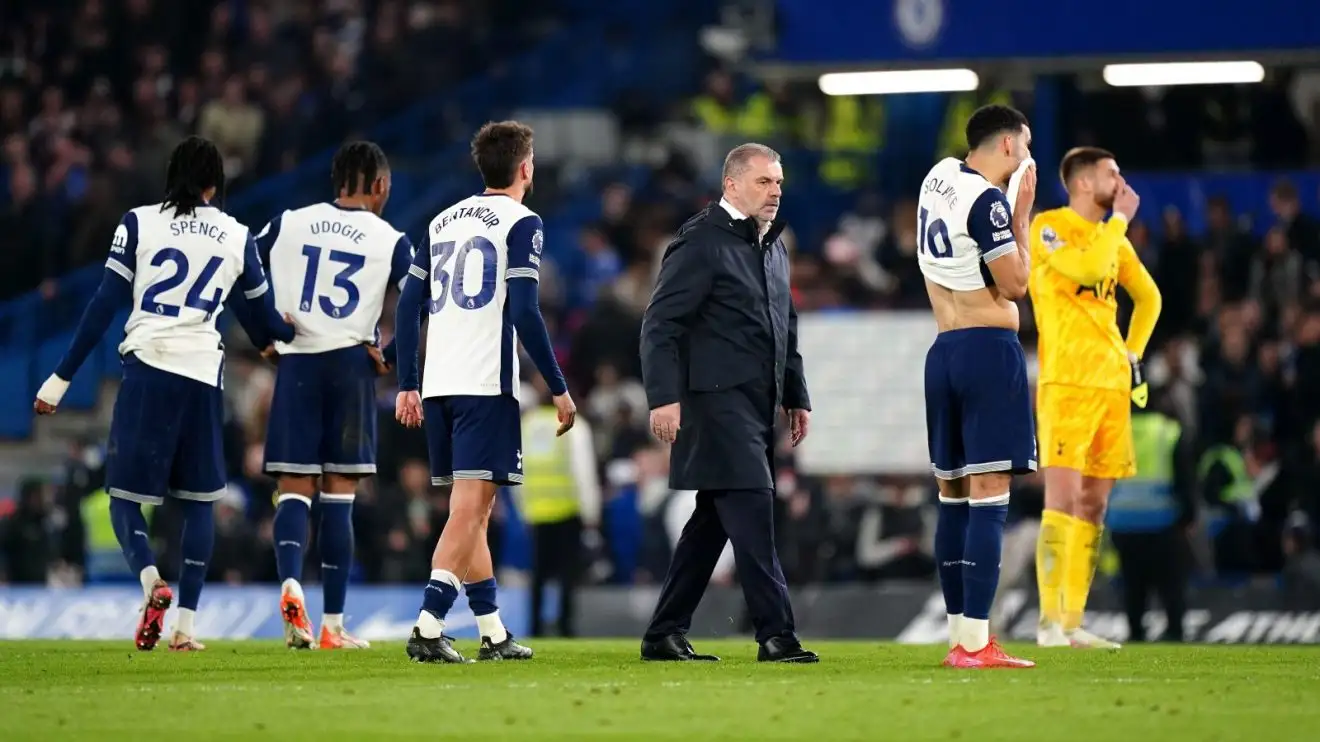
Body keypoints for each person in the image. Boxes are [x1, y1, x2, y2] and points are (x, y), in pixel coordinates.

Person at [32, 136, 295, 651]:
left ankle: (153, 583)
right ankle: (185, 628)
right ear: (215, 183)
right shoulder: (235, 234)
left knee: (123, 499)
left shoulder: (138, 222)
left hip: (149, 368)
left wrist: (60, 378)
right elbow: (258, 318)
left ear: (171, 178)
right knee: (199, 502)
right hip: (202, 375)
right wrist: (278, 337)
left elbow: (104, 304)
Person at [393, 121, 576, 664]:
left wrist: (407, 382)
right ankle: (428, 625)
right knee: (471, 511)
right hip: (484, 385)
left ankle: (492, 631)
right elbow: (523, 309)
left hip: (440, 385)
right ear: (525, 168)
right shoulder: (523, 223)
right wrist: (559, 387)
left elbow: (406, 306)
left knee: (469, 509)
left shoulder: (442, 219)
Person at [638, 142, 817, 664]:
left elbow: (786, 327)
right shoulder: (700, 242)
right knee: (754, 509)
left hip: (756, 405)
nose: (775, 192)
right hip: (714, 404)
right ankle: (776, 634)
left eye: (779, 183)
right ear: (732, 185)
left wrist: (796, 394)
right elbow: (660, 325)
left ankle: (663, 633)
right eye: (764, 182)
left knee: (711, 522)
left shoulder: (773, 247)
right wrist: (664, 397)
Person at [252, 141, 412, 650]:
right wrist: (389, 353)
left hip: (296, 358)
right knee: (339, 495)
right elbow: (419, 299)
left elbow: (239, 266)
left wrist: (265, 332)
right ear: (381, 186)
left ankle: (290, 585)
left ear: (335, 183)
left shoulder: (288, 222)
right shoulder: (391, 238)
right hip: (350, 365)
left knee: (294, 489)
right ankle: (333, 626)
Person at [918, 105, 1037, 669]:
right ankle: (976, 643)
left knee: (953, 498)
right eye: (1026, 145)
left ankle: (958, 637)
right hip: (987, 354)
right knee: (991, 498)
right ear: (1009, 147)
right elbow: (1015, 285)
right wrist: (1021, 216)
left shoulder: (936, 176)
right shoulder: (988, 200)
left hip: (942, 351)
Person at [1029, 146, 1162, 649]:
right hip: (1067, 382)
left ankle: (1071, 621)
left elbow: (1149, 298)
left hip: (1111, 385)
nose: (1121, 181)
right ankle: (1046, 623)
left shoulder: (1112, 238)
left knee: (1095, 505)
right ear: (1084, 182)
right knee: (1061, 499)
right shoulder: (1050, 227)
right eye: (1113, 173)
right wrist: (1121, 223)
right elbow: (1087, 270)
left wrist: (1132, 354)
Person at [1106, 390, 1195, 642]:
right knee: (1170, 585)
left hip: (1123, 523)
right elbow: (1185, 479)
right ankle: (1174, 630)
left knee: (1133, 588)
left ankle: (1135, 631)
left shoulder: (1114, 433)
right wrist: (1188, 516)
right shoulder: (1169, 433)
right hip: (1163, 523)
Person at [517, 377, 602, 637]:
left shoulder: (527, 425)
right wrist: (591, 512)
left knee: (538, 575)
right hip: (567, 509)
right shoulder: (574, 425)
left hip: (535, 511)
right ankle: (565, 626)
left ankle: (535, 627)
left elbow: (517, 469)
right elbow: (583, 471)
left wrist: (523, 508)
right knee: (567, 574)